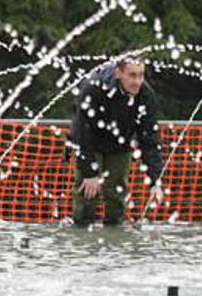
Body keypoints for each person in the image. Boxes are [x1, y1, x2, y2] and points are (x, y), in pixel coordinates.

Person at [70, 56, 164, 227]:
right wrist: (90, 172)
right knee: (87, 193)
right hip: (90, 143)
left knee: (117, 193)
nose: (137, 81)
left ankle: (115, 233)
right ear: (118, 72)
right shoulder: (93, 88)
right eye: (132, 75)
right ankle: (81, 234)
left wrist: (155, 180)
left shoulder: (145, 95)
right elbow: (80, 132)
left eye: (141, 75)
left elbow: (150, 139)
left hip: (121, 144)